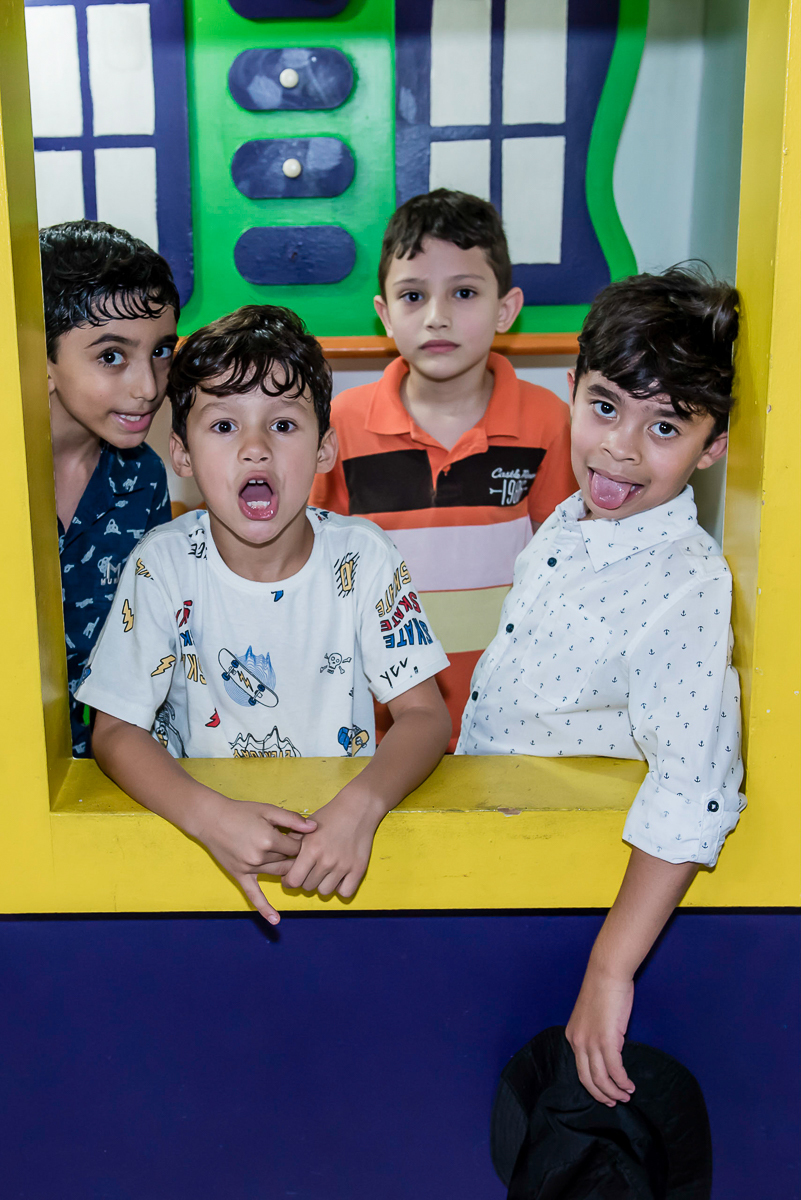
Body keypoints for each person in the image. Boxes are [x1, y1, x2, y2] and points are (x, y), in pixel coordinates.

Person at [456, 266, 745, 1108]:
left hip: (573, 900)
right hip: (493, 857)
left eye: (665, 426)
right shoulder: (573, 518)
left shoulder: (684, 581)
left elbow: (692, 787)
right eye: (606, 406)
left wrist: (609, 967)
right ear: (570, 390)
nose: (620, 447)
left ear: (712, 444)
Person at [76, 306, 451, 922]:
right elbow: (115, 732)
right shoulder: (161, 566)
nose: (255, 449)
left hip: (340, 856)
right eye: (223, 426)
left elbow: (424, 716)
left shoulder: (366, 556)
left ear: (326, 447)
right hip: (197, 861)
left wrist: (363, 806)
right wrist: (209, 818)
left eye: (282, 424)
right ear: (182, 454)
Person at [310, 190, 576, 749]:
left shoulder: (550, 422)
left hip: (511, 719)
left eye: (464, 292)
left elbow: (566, 573)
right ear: (384, 314)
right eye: (413, 295)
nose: (437, 316)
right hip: (379, 725)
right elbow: (319, 574)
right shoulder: (341, 425)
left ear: (506, 308)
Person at [41, 220, 179, 756]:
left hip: (113, 772)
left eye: (161, 351)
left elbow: (153, 648)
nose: (148, 387)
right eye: (111, 356)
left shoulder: (142, 476)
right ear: (41, 357)